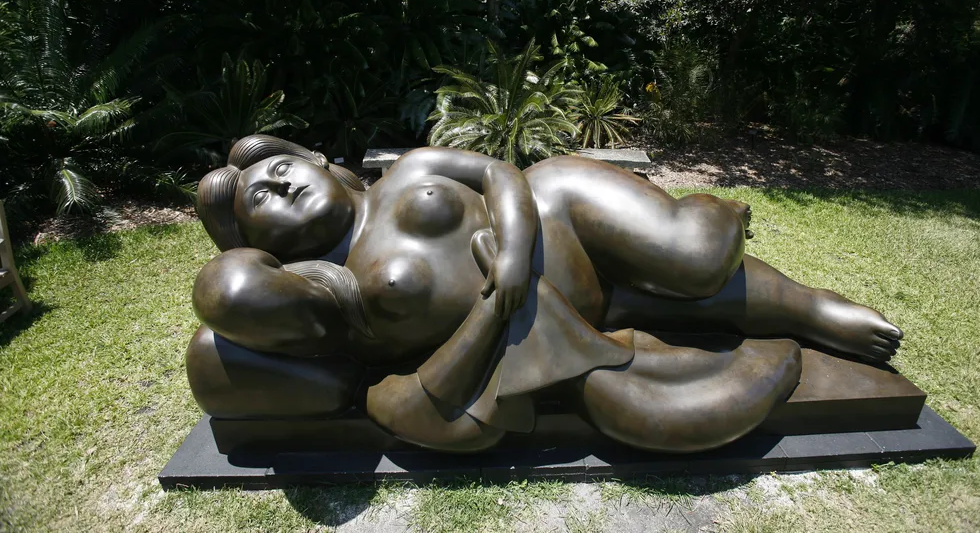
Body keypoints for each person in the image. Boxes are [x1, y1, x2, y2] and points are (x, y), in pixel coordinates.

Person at [187, 134, 903, 453]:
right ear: (260, 242)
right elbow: (237, 298)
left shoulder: (404, 171)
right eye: (261, 199)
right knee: (676, 308)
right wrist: (498, 304)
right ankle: (802, 309)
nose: (281, 184)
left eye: (280, 167)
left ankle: (731, 221)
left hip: (558, 208)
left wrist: (517, 257)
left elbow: (500, 173)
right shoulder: (330, 293)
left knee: (697, 258)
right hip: (559, 315)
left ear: (314, 155)